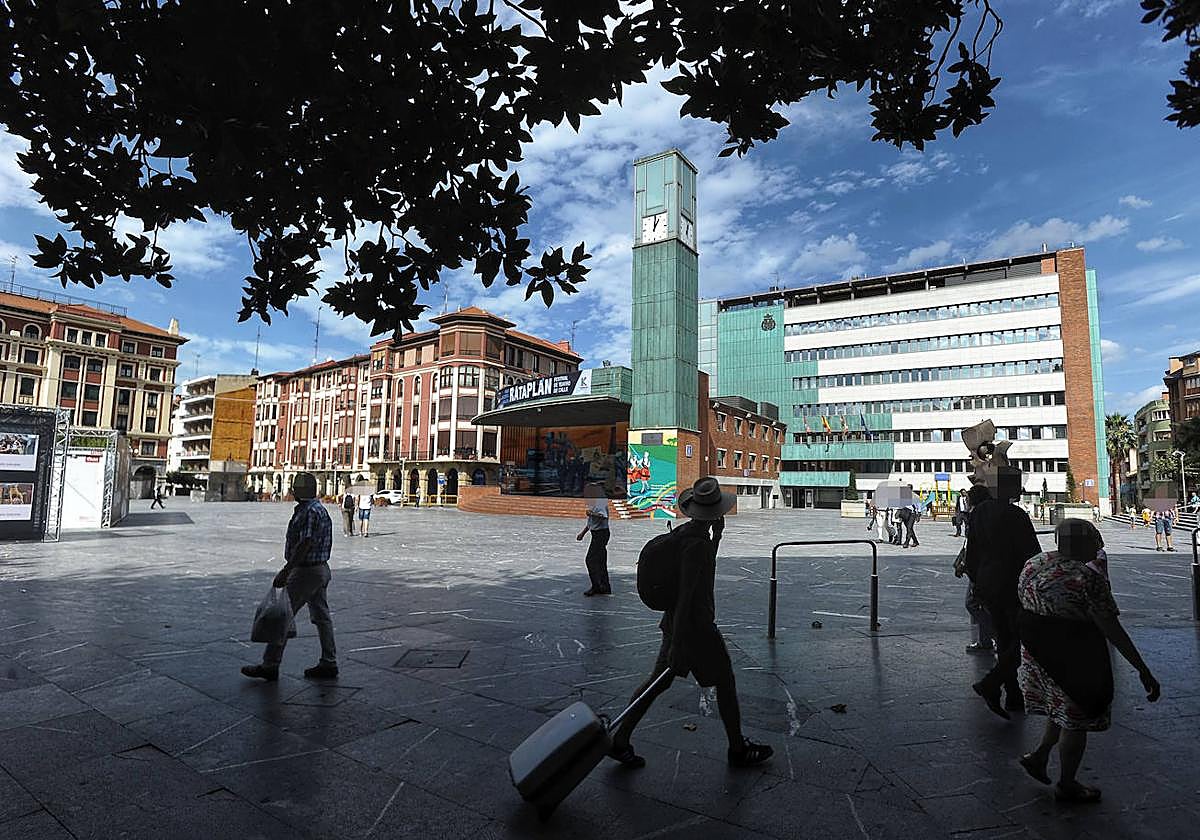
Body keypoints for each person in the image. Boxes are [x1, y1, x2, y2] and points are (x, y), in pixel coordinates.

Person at [607, 477, 772, 770]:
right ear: (715, 512)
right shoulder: (698, 546)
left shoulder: (687, 535)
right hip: (695, 629)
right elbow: (687, 594)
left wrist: (717, 538)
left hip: (676, 623)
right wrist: (679, 642)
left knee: (658, 682)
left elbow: (699, 575)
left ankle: (621, 738)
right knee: (725, 681)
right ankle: (737, 748)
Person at [1015, 519, 1160, 803]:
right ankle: (1067, 783)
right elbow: (1110, 626)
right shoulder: (1085, 577)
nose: (1100, 546)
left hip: (1037, 653)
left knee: (1062, 706)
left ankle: (1040, 755)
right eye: (1096, 540)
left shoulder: (1035, 563)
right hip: (1071, 656)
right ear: (1081, 544)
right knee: (1076, 718)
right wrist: (1142, 669)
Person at [242, 472, 338, 681]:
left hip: (306, 571)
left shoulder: (309, 512)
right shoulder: (318, 509)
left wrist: (287, 570)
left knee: (282, 616)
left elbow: (306, 543)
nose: (293, 490)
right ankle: (329, 662)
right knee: (322, 618)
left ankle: (270, 665)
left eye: (296, 487)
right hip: (321, 569)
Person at [964, 480, 1042, 719]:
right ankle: (992, 682)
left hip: (988, 582)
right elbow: (1032, 551)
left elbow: (972, 552)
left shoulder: (978, 515)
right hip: (1013, 582)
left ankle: (1013, 694)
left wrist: (977, 582)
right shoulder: (1016, 514)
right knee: (1019, 637)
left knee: (1004, 637)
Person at [576, 484, 612, 596]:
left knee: (590, 560)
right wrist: (583, 533)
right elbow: (591, 522)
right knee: (600, 560)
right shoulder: (594, 502)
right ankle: (604, 586)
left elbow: (603, 516)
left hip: (601, 533)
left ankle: (596, 586)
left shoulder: (600, 502)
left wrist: (591, 513)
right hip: (597, 533)